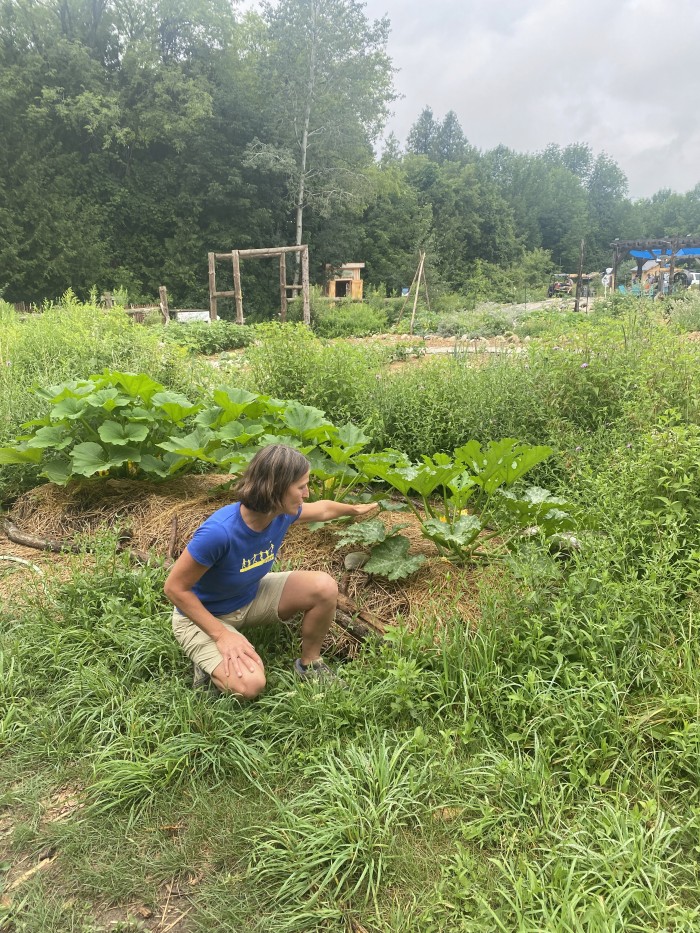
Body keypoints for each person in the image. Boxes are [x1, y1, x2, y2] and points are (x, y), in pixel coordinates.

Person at [164, 443, 377, 698]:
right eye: (301, 487)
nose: (306, 494)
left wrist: (354, 510)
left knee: (324, 587)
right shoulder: (219, 533)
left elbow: (323, 509)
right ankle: (207, 662)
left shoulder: (281, 513)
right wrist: (221, 634)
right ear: (275, 488)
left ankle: (310, 664)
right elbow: (174, 588)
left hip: (248, 597)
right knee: (250, 685)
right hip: (200, 616)